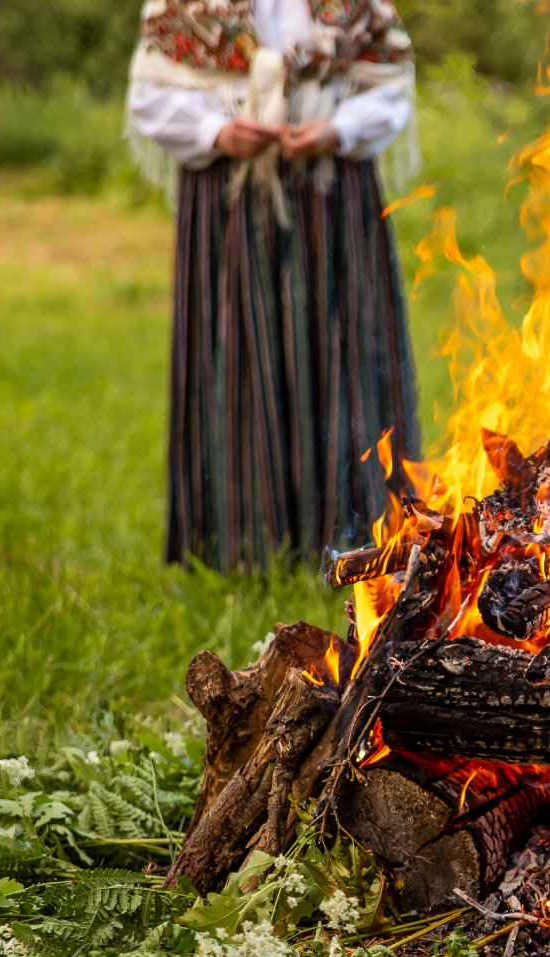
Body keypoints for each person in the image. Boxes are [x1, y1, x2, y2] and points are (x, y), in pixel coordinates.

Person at [128, 0, 422, 573]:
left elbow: (390, 84)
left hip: (334, 191)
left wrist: (337, 128)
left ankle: (363, 535)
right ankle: (242, 543)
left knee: (347, 354)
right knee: (238, 355)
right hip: (229, 197)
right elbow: (153, 92)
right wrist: (216, 129)